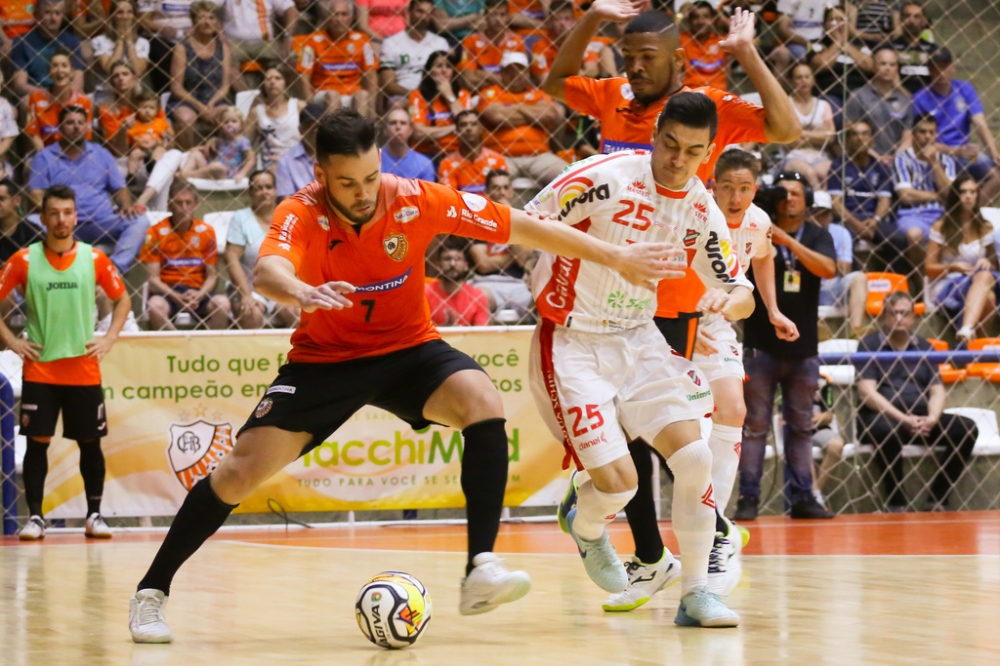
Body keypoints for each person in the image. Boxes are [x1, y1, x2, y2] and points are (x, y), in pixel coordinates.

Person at [127, 107, 678, 643]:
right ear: (322, 176)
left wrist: (616, 257)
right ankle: (151, 591)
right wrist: (301, 291)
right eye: (347, 183)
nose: (364, 192)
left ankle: (480, 568)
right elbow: (268, 270)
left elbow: (519, 227)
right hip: (325, 363)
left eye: (371, 177)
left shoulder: (414, 197)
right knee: (237, 476)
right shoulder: (301, 210)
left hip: (408, 349)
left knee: (482, 400)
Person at [543, 2, 800, 611]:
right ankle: (645, 554)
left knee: (707, 433)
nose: (632, 68)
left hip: (679, 305)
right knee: (627, 461)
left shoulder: (708, 115)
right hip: (594, 310)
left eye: (646, 58)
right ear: (655, 138)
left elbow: (787, 128)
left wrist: (745, 53)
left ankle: (704, 563)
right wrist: (594, 18)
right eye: (627, 56)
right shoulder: (610, 128)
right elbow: (553, 89)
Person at [532, 93, 753, 627]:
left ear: (710, 151)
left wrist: (730, 300)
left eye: (693, 151)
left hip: (639, 339)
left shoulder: (701, 208)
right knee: (621, 484)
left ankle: (698, 594)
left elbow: (740, 288)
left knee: (695, 456)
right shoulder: (603, 175)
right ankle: (585, 526)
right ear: (655, 133)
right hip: (572, 341)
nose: (678, 160)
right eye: (670, 144)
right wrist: (607, 255)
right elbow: (528, 220)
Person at [0, 185, 132, 541]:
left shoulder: (94, 259)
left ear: (76, 216)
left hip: (83, 369)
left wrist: (108, 338)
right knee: (37, 444)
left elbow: (123, 300)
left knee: (91, 443)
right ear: (42, 218)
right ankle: (37, 519)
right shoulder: (24, 260)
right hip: (40, 369)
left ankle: (94, 515)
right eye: (54, 213)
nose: (61, 219)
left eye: (68, 212)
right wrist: (12, 341)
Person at [735, 171, 838, 521]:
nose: (789, 198)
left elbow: (827, 269)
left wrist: (787, 242)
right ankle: (748, 498)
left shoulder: (818, 235)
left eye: (796, 193)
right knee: (754, 427)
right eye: (784, 193)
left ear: (807, 199)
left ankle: (802, 497)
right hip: (760, 346)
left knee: (801, 426)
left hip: (804, 349)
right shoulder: (755, 228)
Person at [856, 291, 977, 512]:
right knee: (887, 430)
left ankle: (937, 498)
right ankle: (896, 501)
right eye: (893, 314)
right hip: (883, 418)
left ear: (914, 317)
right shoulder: (869, 344)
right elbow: (867, 393)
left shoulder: (925, 346)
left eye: (904, 313)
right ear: (884, 316)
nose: (899, 318)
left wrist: (931, 419)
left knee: (967, 429)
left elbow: (938, 391)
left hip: (921, 417)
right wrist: (903, 419)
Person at [28, 106, 150, 274]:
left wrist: (126, 204)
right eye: (70, 122)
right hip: (62, 224)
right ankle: (48, 272)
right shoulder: (44, 157)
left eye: (80, 122)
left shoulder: (101, 153)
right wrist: (57, 215)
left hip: (101, 222)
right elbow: (36, 194)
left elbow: (119, 188)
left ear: (87, 127)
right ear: (60, 128)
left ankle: (114, 270)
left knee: (140, 221)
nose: (76, 126)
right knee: (32, 222)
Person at [912, 48, 1000, 204]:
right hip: (939, 154)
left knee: (994, 172)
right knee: (949, 185)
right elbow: (921, 140)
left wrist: (994, 154)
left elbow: (980, 123)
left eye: (945, 66)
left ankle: (975, 211)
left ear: (952, 68)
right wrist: (955, 151)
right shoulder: (920, 98)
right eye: (936, 67)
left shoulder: (965, 89)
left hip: (967, 152)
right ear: (929, 70)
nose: (941, 72)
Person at [141, 180, 232, 330]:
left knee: (222, 304)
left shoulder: (207, 232)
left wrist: (199, 294)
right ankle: (180, 346)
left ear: (196, 204)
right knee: (155, 306)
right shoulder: (154, 232)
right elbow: (153, 279)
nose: (184, 208)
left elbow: (212, 276)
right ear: (170, 204)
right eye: (179, 203)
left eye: (188, 202)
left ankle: (211, 348)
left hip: (198, 290)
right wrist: (176, 296)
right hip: (168, 291)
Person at [828, 120, 909, 276]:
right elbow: (835, 202)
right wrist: (856, 224)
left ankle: (893, 282)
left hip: (873, 220)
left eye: (865, 134)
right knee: (842, 238)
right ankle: (852, 281)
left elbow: (884, 199)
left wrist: (876, 220)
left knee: (898, 238)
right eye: (854, 134)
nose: (860, 138)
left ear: (872, 139)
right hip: (848, 219)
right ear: (847, 140)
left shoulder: (881, 168)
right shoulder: (838, 166)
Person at [925, 174, 999, 343]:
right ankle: (977, 347)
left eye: (972, 192)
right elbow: (929, 267)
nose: (968, 196)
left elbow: (994, 264)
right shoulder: (941, 226)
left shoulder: (985, 226)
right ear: (955, 195)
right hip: (948, 282)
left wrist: (988, 262)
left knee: (989, 291)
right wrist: (953, 267)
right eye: (963, 192)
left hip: (978, 281)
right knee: (988, 291)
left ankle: (968, 332)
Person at [478, 51, 567, 188]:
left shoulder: (538, 93)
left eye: (520, 71)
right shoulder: (490, 92)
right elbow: (497, 117)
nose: (515, 76)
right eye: (510, 71)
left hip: (540, 156)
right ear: (501, 73)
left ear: (527, 74)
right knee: (483, 182)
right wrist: (530, 111)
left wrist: (513, 108)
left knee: (570, 178)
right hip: (501, 156)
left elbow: (549, 115)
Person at [223, 171, 299, 329]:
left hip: (283, 288)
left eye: (268, 187)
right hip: (251, 287)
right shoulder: (241, 218)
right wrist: (246, 295)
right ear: (251, 193)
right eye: (258, 188)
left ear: (276, 190)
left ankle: (293, 354)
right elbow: (231, 257)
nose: (264, 192)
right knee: (252, 314)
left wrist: (297, 291)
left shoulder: (289, 218)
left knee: (295, 314)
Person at [295, 0, 378, 117]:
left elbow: (371, 75)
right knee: (333, 95)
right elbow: (303, 77)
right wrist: (310, 104)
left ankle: (360, 133)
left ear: (351, 17)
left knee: (363, 95)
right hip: (323, 94)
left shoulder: (362, 40)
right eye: (335, 14)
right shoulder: (311, 41)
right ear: (328, 17)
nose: (339, 19)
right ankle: (333, 133)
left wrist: (372, 107)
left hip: (352, 93)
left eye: (344, 14)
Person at [169, 1, 234, 150]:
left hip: (214, 98)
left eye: (211, 18)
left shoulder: (223, 46)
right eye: (202, 18)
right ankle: (188, 160)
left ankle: (227, 159)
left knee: (230, 117)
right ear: (193, 21)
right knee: (185, 119)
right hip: (187, 98)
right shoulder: (182, 47)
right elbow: (176, 88)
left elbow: (225, 86)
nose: (207, 22)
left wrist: (211, 104)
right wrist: (199, 107)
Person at [894, 113, 956, 256]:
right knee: (915, 235)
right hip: (912, 215)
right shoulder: (902, 159)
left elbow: (951, 194)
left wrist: (934, 163)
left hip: (943, 214)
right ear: (914, 134)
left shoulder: (946, 161)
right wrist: (939, 196)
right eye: (922, 132)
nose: (927, 136)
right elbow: (906, 195)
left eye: (931, 132)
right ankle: (921, 277)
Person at [812, 190, 868, 338]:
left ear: (831, 215)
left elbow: (845, 268)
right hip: (807, 284)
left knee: (859, 278)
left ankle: (856, 330)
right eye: (816, 212)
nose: (820, 217)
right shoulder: (802, 231)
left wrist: (819, 261)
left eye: (824, 213)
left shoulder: (840, 232)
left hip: (831, 285)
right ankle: (815, 328)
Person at [845, 47, 914, 163]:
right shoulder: (858, 95)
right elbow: (848, 132)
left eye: (892, 65)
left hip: (897, 161)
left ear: (897, 69)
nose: (887, 68)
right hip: (864, 161)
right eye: (883, 64)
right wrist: (877, 158)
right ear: (874, 66)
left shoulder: (905, 100)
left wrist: (896, 158)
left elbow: (907, 137)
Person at [10, 0, 85, 96]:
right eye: (48, 13)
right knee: (26, 103)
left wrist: (60, 96)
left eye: (57, 13)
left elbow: (78, 82)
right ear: (37, 14)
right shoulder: (22, 42)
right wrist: (47, 94)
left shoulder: (72, 41)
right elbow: (19, 85)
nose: (53, 18)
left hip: (65, 93)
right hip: (35, 93)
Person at [408, 51, 473, 160]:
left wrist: (449, 95)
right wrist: (454, 127)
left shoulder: (464, 94)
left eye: (448, 66)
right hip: (425, 154)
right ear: (429, 71)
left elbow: (467, 125)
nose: (444, 70)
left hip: (457, 153)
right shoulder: (417, 95)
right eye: (439, 66)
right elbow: (418, 133)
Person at [24, 50, 94, 152]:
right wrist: (46, 157)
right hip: (44, 153)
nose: (59, 70)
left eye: (64, 66)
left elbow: (85, 137)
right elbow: (33, 133)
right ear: (49, 72)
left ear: (72, 72)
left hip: (74, 155)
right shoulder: (36, 98)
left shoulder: (84, 101)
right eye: (55, 66)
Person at [378, 0, 449, 96]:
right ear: (409, 12)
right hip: (403, 96)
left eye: (428, 13)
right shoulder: (390, 43)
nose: (423, 17)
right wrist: (414, 96)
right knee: (397, 106)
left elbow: (447, 77)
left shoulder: (441, 43)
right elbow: (387, 83)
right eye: (419, 11)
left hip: (435, 94)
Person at [781, 63, 834, 188]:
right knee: (809, 173)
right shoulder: (786, 104)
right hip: (793, 155)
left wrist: (801, 133)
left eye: (807, 77)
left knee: (829, 173)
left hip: (819, 155)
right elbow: (787, 140)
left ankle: (827, 203)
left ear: (813, 80)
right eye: (798, 77)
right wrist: (819, 134)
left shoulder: (823, 105)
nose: (803, 81)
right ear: (792, 81)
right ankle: (819, 198)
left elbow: (830, 137)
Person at [806, 5, 874, 103]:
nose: (838, 24)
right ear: (825, 26)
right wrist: (837, 42)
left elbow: (869, 66)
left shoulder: (860, 45)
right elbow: (822, 65)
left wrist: (845, 45)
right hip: (829, 95)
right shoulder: (817, 44)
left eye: (841, 20)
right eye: (833, 20)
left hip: (860, 97)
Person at [457, 0, 527, 91]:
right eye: (493, 15)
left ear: (508, 17)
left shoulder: (517, 41)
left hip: (509, 95)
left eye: (502, 15)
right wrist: (504, 80)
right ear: (485, 16)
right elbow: (469, 81)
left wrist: (483, 74)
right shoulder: (471, 41)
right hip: (481, 95)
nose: (498, 19)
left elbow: (520, 82)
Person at [217, 0, 297, 77]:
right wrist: (220, 34)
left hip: (265, 43)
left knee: (290, 59)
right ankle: (246, 91)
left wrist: (288, 36)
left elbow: (291, 9)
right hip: (234, 43)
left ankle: (278, 89)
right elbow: (208, 6)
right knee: (223, 59)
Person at [250, 67, 306, 172]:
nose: (272, 82)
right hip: (268, 163)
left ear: (285, 83)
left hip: (296, 160)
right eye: (268, 79)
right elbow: (244, 141)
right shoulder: (256, 111)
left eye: (277, 78)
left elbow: (311, 138)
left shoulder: (299, 106)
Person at [438, 111, 509, 194]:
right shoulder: (447, 163)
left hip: (491, 206)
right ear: (456, 131)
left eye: (474, 124)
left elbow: (502, 194)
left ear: (481, 129)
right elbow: (449, 196)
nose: (469, 128)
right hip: (461, 206)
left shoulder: (497, 160)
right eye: (463, 124)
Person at [426, 238, 492, 326]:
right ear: (439, 265)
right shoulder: (424, 294)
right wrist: (444, 330)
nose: (452, 264)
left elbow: (481, 336)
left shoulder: (477, 297)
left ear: (466, 265)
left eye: (458, 259)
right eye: (447, 259)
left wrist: (458, 333)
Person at [180, 106, 256, 181]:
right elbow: (205, 150)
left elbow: (251, 159)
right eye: (225, 122)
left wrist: (242, 173)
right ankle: (183, 173)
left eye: (234, 121)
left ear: (241, 125)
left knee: (217, 166)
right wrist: (196, 149)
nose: (229, 124)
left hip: (227, 174)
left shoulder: (243, 141)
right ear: (220, 125)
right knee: (195, 154)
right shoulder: (218, 140)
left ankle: (186, 175)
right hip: (210, 169)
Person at [276, 101, 328, 198]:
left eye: (319, 125)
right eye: (309, 125)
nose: (315, 130)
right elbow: (286, 200)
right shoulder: (286, 161)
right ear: (300, 130)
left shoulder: (336, 156)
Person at [767, 0, 829, 79]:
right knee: (800, 54)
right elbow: (782, 29)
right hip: (797, 41)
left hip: (822, 39)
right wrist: (807, 43)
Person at [91, 0, 150, 80]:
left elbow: (138, 71)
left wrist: (129, 42)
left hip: (135, 90)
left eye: (129, 12)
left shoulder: (143, 42)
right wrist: (120, 41)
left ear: (134, 16)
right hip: (106, 90)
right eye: (120, 12)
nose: (125, 17)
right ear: (112, 16)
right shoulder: (98, 41)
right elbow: (110, 70)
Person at [125, 89, 174, 184]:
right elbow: (129, 142)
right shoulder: (134, 124)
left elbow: (170, 135)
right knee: (134, 155)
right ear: (137, 108)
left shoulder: (160, 123)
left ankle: (152, 164)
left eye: (151, 108)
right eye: (144, 107)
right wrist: (138, 141)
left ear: (157, 110)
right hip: (140, 148)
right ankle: (131, 176)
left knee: (160, 150)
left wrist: (162, 140)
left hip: (156, 146)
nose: (147, 111)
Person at [809, 374, 844, 508]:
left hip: (820, 429)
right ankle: (814, 498)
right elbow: (785, 416)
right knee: (802, 447)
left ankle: (815, 494)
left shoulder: (823, 379)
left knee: (837, 444)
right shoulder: (786, 375)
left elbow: (828, 416)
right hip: (798, 431)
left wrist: (806, 417)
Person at [680, 1, 728, 90]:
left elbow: (752, 41)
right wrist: (680, 15)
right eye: (695, 17)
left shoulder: (721, 40)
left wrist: (721, 18)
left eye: (706, 17)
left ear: (713, 19)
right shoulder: (683, 39)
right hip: (691, 94)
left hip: (718, 94)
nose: (701, 21)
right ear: (689, 20)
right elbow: (664, 38)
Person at [890, 2, 936, 94]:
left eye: (916, 17)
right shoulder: (890, 47)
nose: (911, 20)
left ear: (924, 21)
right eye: (907, 16)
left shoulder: (932, 48)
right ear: (901, 19)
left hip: (926, 98)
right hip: (897, 96)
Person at [380, 108, 436, 181]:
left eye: (403, 123)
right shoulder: (373, 160)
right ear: (385, 130)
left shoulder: (424, 164)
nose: (398, 127)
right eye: (393, 123)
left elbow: (427, 192)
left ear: (410, 130)